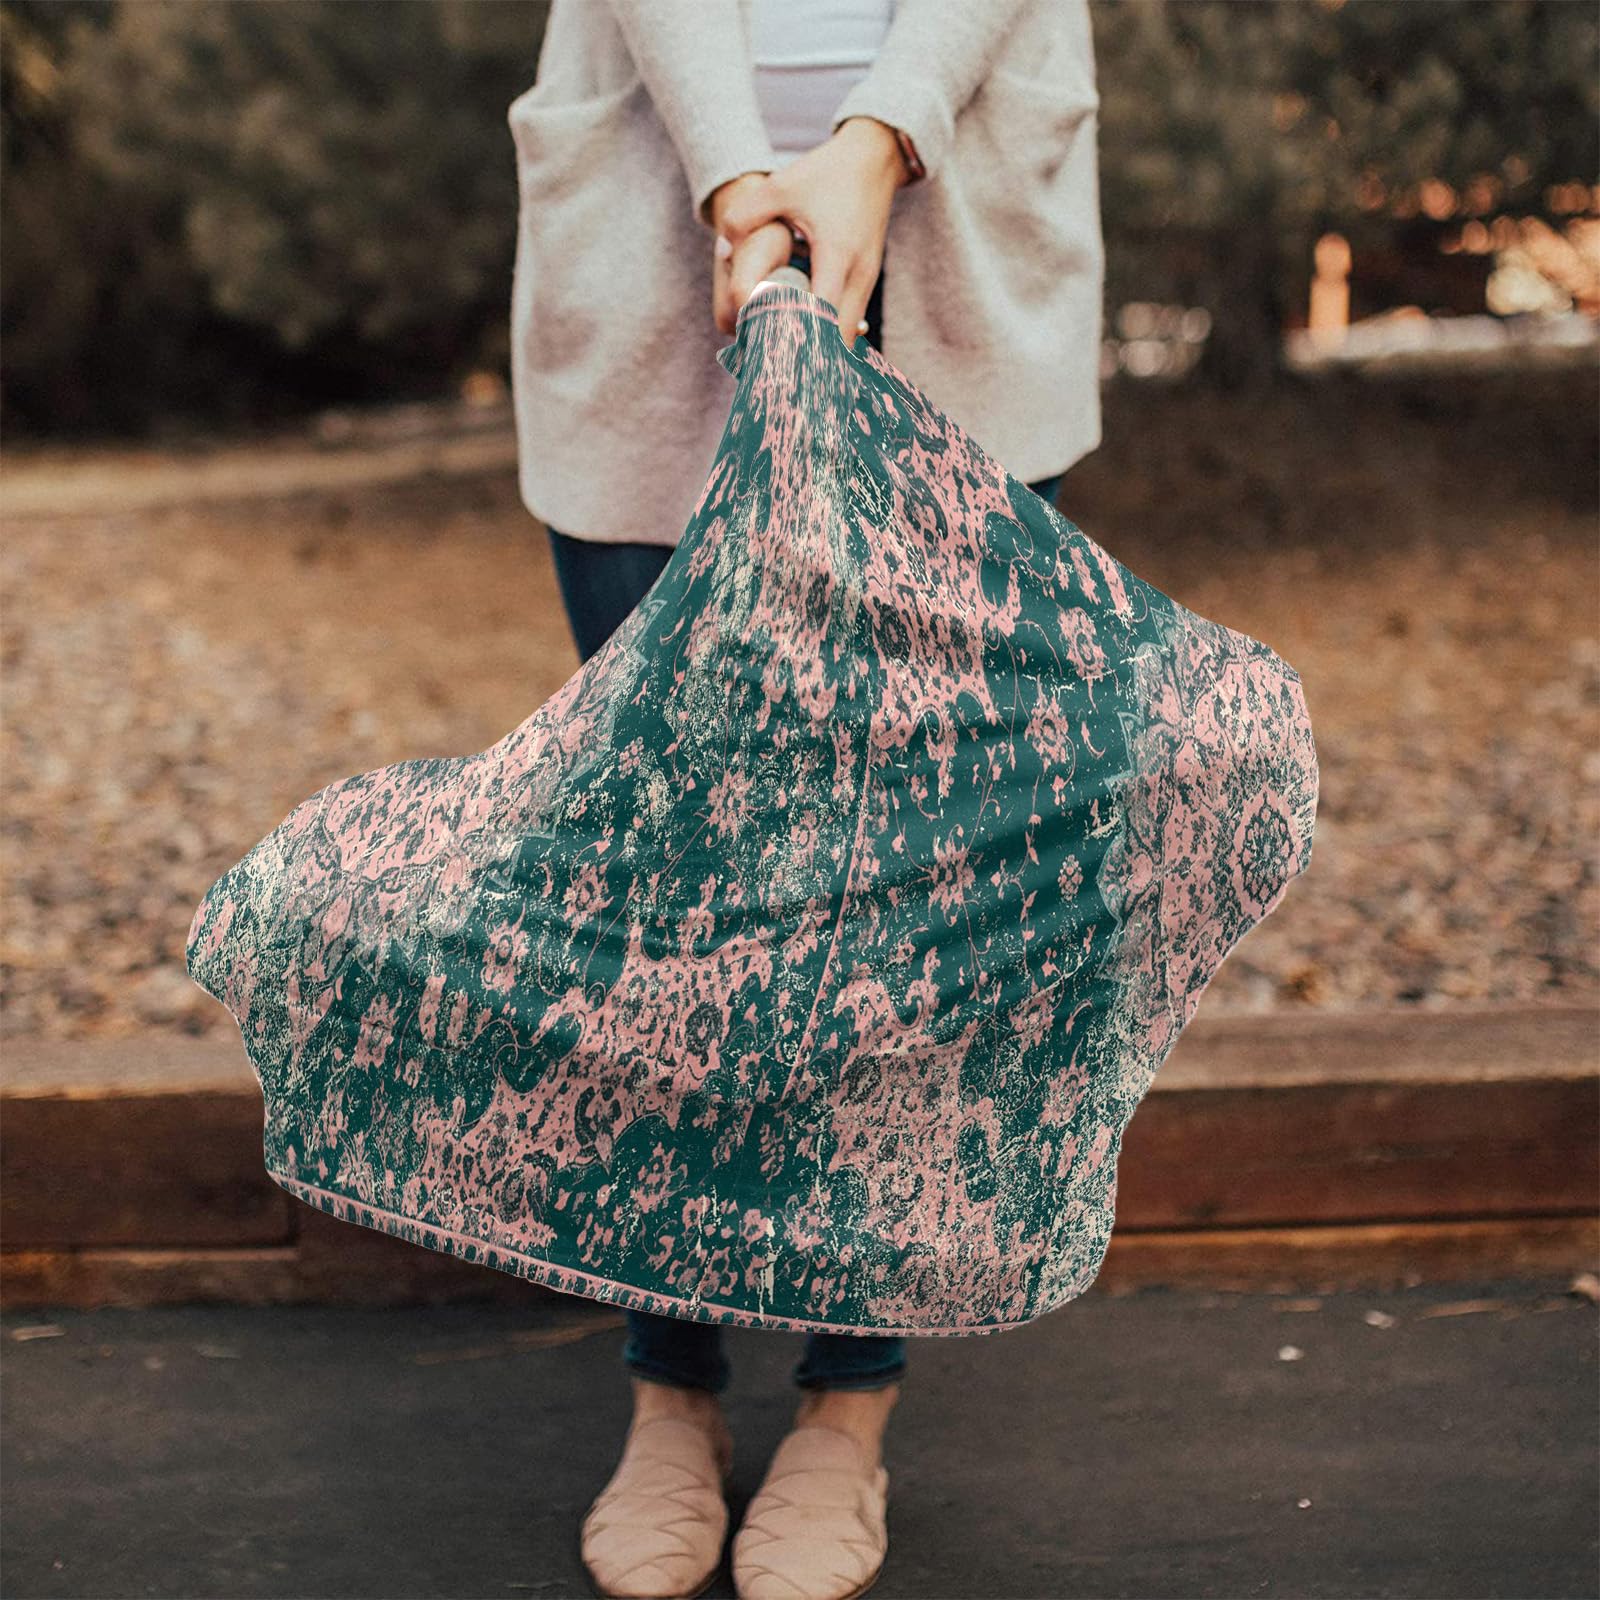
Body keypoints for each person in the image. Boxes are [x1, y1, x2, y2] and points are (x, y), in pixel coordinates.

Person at [507, 4, 1103, 1596]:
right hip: (654, 225)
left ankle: (849, 1404)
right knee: (667, 885)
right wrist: (735, 179)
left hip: (959, 231)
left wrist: (879, 140)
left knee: (906, 885)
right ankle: (671, 1386)